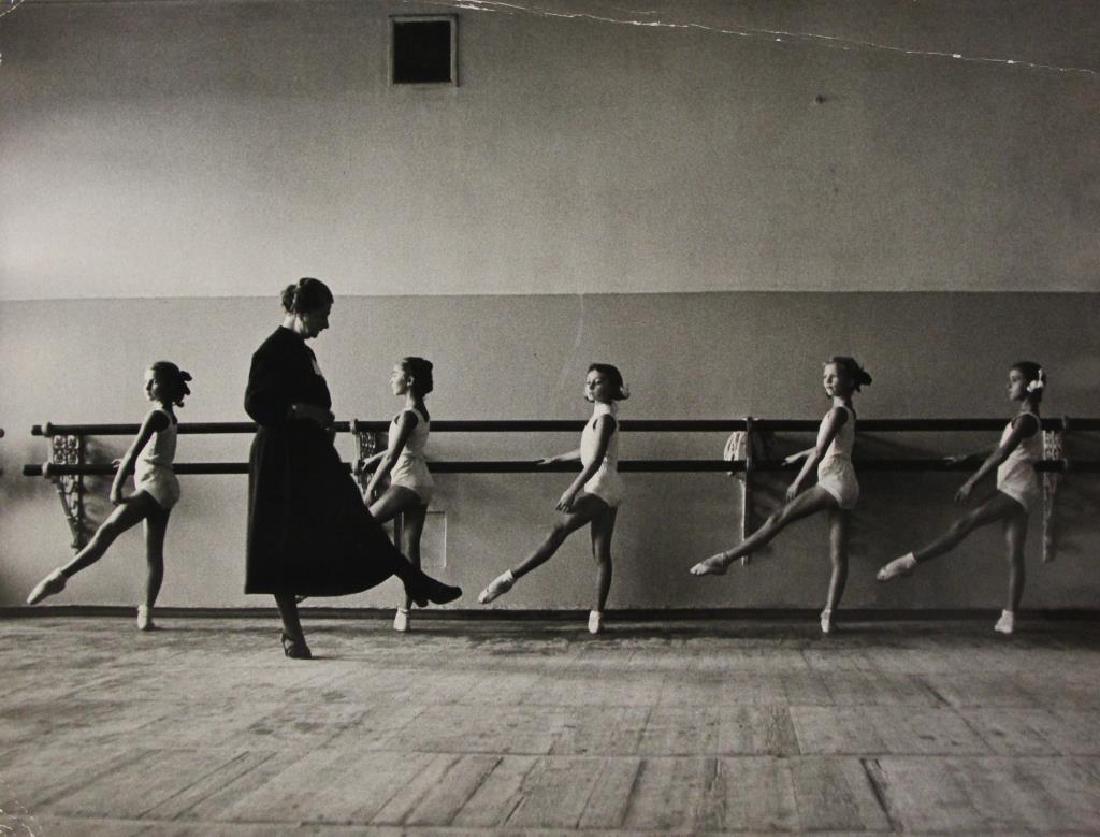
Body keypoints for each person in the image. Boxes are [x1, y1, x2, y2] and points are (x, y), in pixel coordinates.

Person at [245, 277, 460, 659]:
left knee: (353, 520)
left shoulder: (302, 350)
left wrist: (320, 421)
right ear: (303, 311)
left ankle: (415, 581)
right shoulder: (274, 349)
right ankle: (295, 634)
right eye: (323, 315)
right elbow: (256, 404)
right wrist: (306, 412)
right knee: (282, 542)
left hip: (309, 453)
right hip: (282, 457)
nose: (326, 325)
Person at [691, 357, 872, 635]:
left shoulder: (837, 414)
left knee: (778, 518)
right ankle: (829, 614)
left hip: (834, 481)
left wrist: (798, 482)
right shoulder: (847, 411)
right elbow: (833, 447)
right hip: (846, 482)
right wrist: (800, 455)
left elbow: (822, 451)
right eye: (825, 376)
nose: (827, 381)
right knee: (838, 554)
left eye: (834, 377)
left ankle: (723, 560)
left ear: (849, 381)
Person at [878, 362, 1046, 636]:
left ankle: (909, 562)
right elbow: (1001, 446)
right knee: (1014, 553)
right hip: (1019, 488)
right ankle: (1009, 616)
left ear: (1028, 385)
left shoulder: (1027, 419)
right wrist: (969, 456)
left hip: (1017, 489)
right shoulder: (1026, 416)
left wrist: (972, 480)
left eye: (1014, 380)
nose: (1009, 385)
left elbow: (1002, 454)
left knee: (964, 525)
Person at [27, 362, 193, 631]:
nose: (146, 388)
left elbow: (134, 451)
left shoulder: (156, 416)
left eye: (150, 382)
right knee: (153, 554)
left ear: (160, 386)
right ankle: (146, 613)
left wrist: (117, 486)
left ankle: (60, 577)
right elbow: (155, 453)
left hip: (153, 487)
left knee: (106, 532)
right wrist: (133, 464)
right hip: (163, 486)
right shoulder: (170, 417)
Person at [478, 363, 628, 635]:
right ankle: (597, 615)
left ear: (613, 386)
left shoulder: (605, 417)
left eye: (599, 381)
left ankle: (508, 578)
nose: (593, 386)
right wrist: (558, 458)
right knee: (601, 552)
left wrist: (572, 489)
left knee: (558, 530)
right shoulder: (602, 414)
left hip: (601, 485)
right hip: (608, 485)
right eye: (589, 382)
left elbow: (594, 462)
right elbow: (587, 451)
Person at [362, 357, 436, 633]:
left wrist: (371, 487)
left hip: (407, 483)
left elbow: (395, 454)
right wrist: (375, 458)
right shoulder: (420, 413)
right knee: (409, 547)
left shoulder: (407, 415)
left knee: (363, 525)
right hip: (421, 483)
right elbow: (405, 448)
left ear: (410, 380)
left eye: (395, 374)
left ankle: (310, 587)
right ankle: (406, 610)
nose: (391, 379)